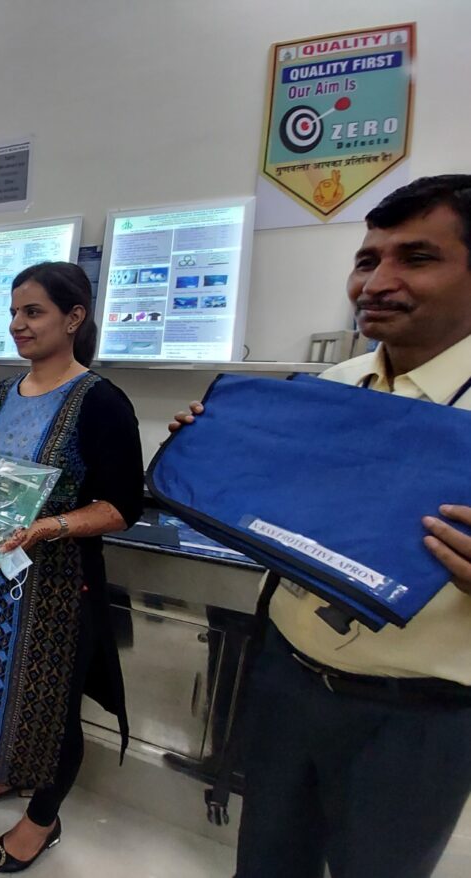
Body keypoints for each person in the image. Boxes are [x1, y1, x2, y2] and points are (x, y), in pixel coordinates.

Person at [170, 174, 471, 878]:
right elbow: (282, 520)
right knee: (267, 863)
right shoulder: (330, 389)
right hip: (287, 679)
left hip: (416, 718)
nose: (377, 282)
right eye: (367, 260)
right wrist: (216, 455)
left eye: (417, 258)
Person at [0, 261, 143, 873]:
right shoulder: (6, 390)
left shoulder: (100, 402)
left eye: (33, 312)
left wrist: (47, 527)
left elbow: (122, 507)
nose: (18, 324)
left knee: (50, 706)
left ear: (74, 317)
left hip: (58, 587)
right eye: (13, 312)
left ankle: (42, 819)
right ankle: (8, 772)